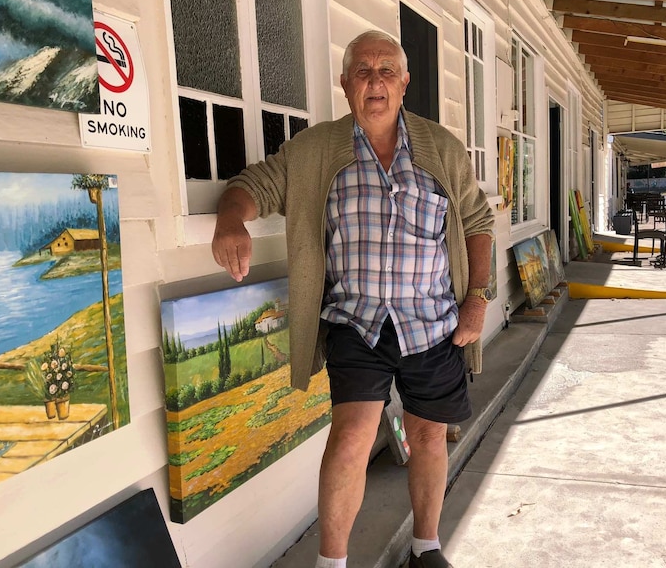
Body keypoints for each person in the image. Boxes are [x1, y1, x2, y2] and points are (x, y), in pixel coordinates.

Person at [212, 30, 494, 568]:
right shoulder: (316, 150)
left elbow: (477, 221)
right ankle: (332, 563)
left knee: (430, 435)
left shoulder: (442, 149)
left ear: (405, 82)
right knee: (351, 438)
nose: (376, 81)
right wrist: (231, 218)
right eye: (363, 71)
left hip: (432, 321)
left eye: (387, 70)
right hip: (358, 321)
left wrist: (477, 298)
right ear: (345, 85)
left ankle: (425, 548)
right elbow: (258, 184)